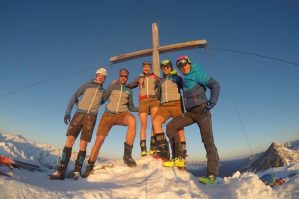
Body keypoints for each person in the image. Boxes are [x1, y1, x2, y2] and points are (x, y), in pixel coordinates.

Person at [158, 55, 220, 184]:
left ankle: (212, 176)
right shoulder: (184, 79)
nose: (184, 67)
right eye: (181, 65)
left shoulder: (198, 73)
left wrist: (211, 104)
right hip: (190, 113)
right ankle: (177, 157)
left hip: (202, 112)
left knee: (208, 142)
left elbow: (215, 86)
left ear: (189, 63)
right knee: (171, 127)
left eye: (185, 64)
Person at [48, 67, 107, 180]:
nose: (101, 77)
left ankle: (77, 172)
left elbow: (101, 102)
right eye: (99, 75)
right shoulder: (87, 85)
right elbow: (74, 96)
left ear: (105, 79)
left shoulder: (103, 92)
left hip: (91, 118)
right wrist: (67, 112)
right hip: (79, 115)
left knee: (83, 145)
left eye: (103, 76)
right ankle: (60, 171)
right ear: (96, 75)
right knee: (69, 141)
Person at [82, 69, 138, 177]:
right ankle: (89, 166)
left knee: (132, 120)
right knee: (99, 141)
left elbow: (131, 107)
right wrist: (88, 103)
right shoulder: (112, 86)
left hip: (121, 114)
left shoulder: (129, 90)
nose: (123, 78)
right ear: (119, 76)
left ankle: (127, 156)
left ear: (127, 77)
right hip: (108, 115)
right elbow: (102, 99)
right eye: (121, 75)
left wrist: (142, 110)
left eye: (125, 76)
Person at [152, 59, 186, 161]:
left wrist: (179, 76)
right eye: (163, 67)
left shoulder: (177, 78)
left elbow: (185, 85)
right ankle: (164, 152)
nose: (165, 68)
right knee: (155, 122)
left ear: (171, 67)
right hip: (164, 106)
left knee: (180, 129)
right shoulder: (161, 81)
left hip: (176, 104)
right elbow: (158, 96)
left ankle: (181, 156)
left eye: (167, 66)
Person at [127, 61, 161, 157]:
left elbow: (163, 82)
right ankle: (143, 148)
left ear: (150, 68)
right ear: (142, 68)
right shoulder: (139, 77)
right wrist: (120, 84)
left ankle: (153, 147)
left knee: (155, 123)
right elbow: (130, 85)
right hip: (143, 101)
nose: (146, 68)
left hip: (154, 100)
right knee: (143, 125)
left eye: (148, 67)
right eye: (145, 67)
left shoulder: (155, 77)